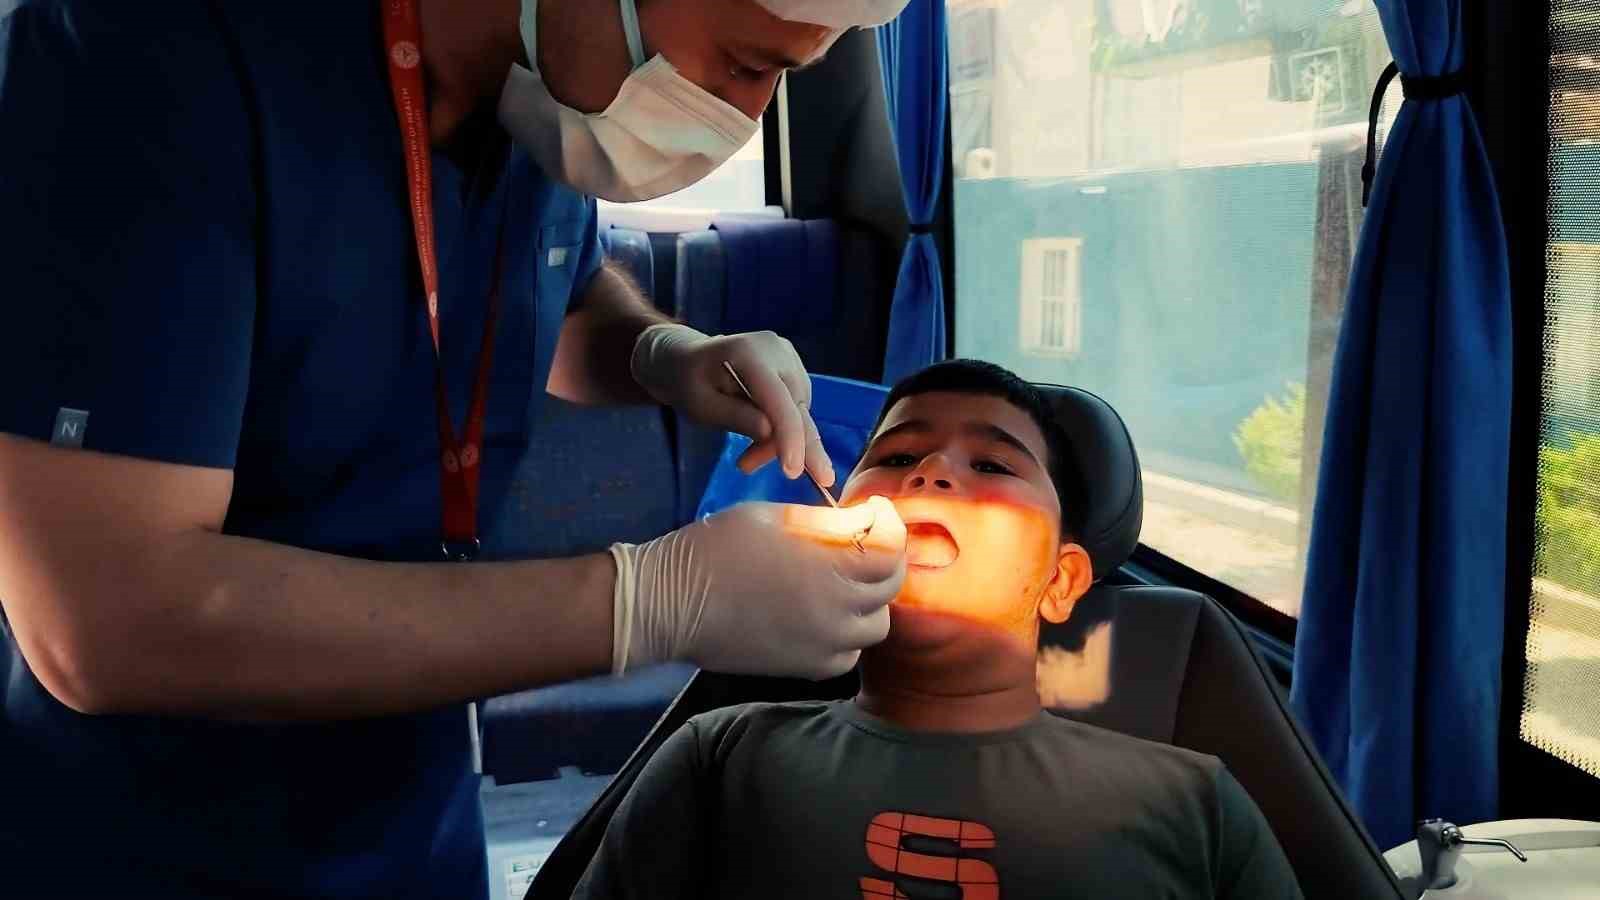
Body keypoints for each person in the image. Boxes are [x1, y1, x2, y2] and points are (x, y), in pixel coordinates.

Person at [0, 0, 910, 896]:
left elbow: (561, 294)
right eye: (747, 64)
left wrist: (662, 353)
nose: (746, 117)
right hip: (147, 844)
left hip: (414, 822)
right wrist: (648, 604)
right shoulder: (147, 65)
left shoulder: (542, 93)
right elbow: (103, 622)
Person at [573, 360, 1305, 900]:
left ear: (1061, 581)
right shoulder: (718, 756)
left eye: (991, 463)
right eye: (895, 458)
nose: (929, 472)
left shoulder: (1195, 805)